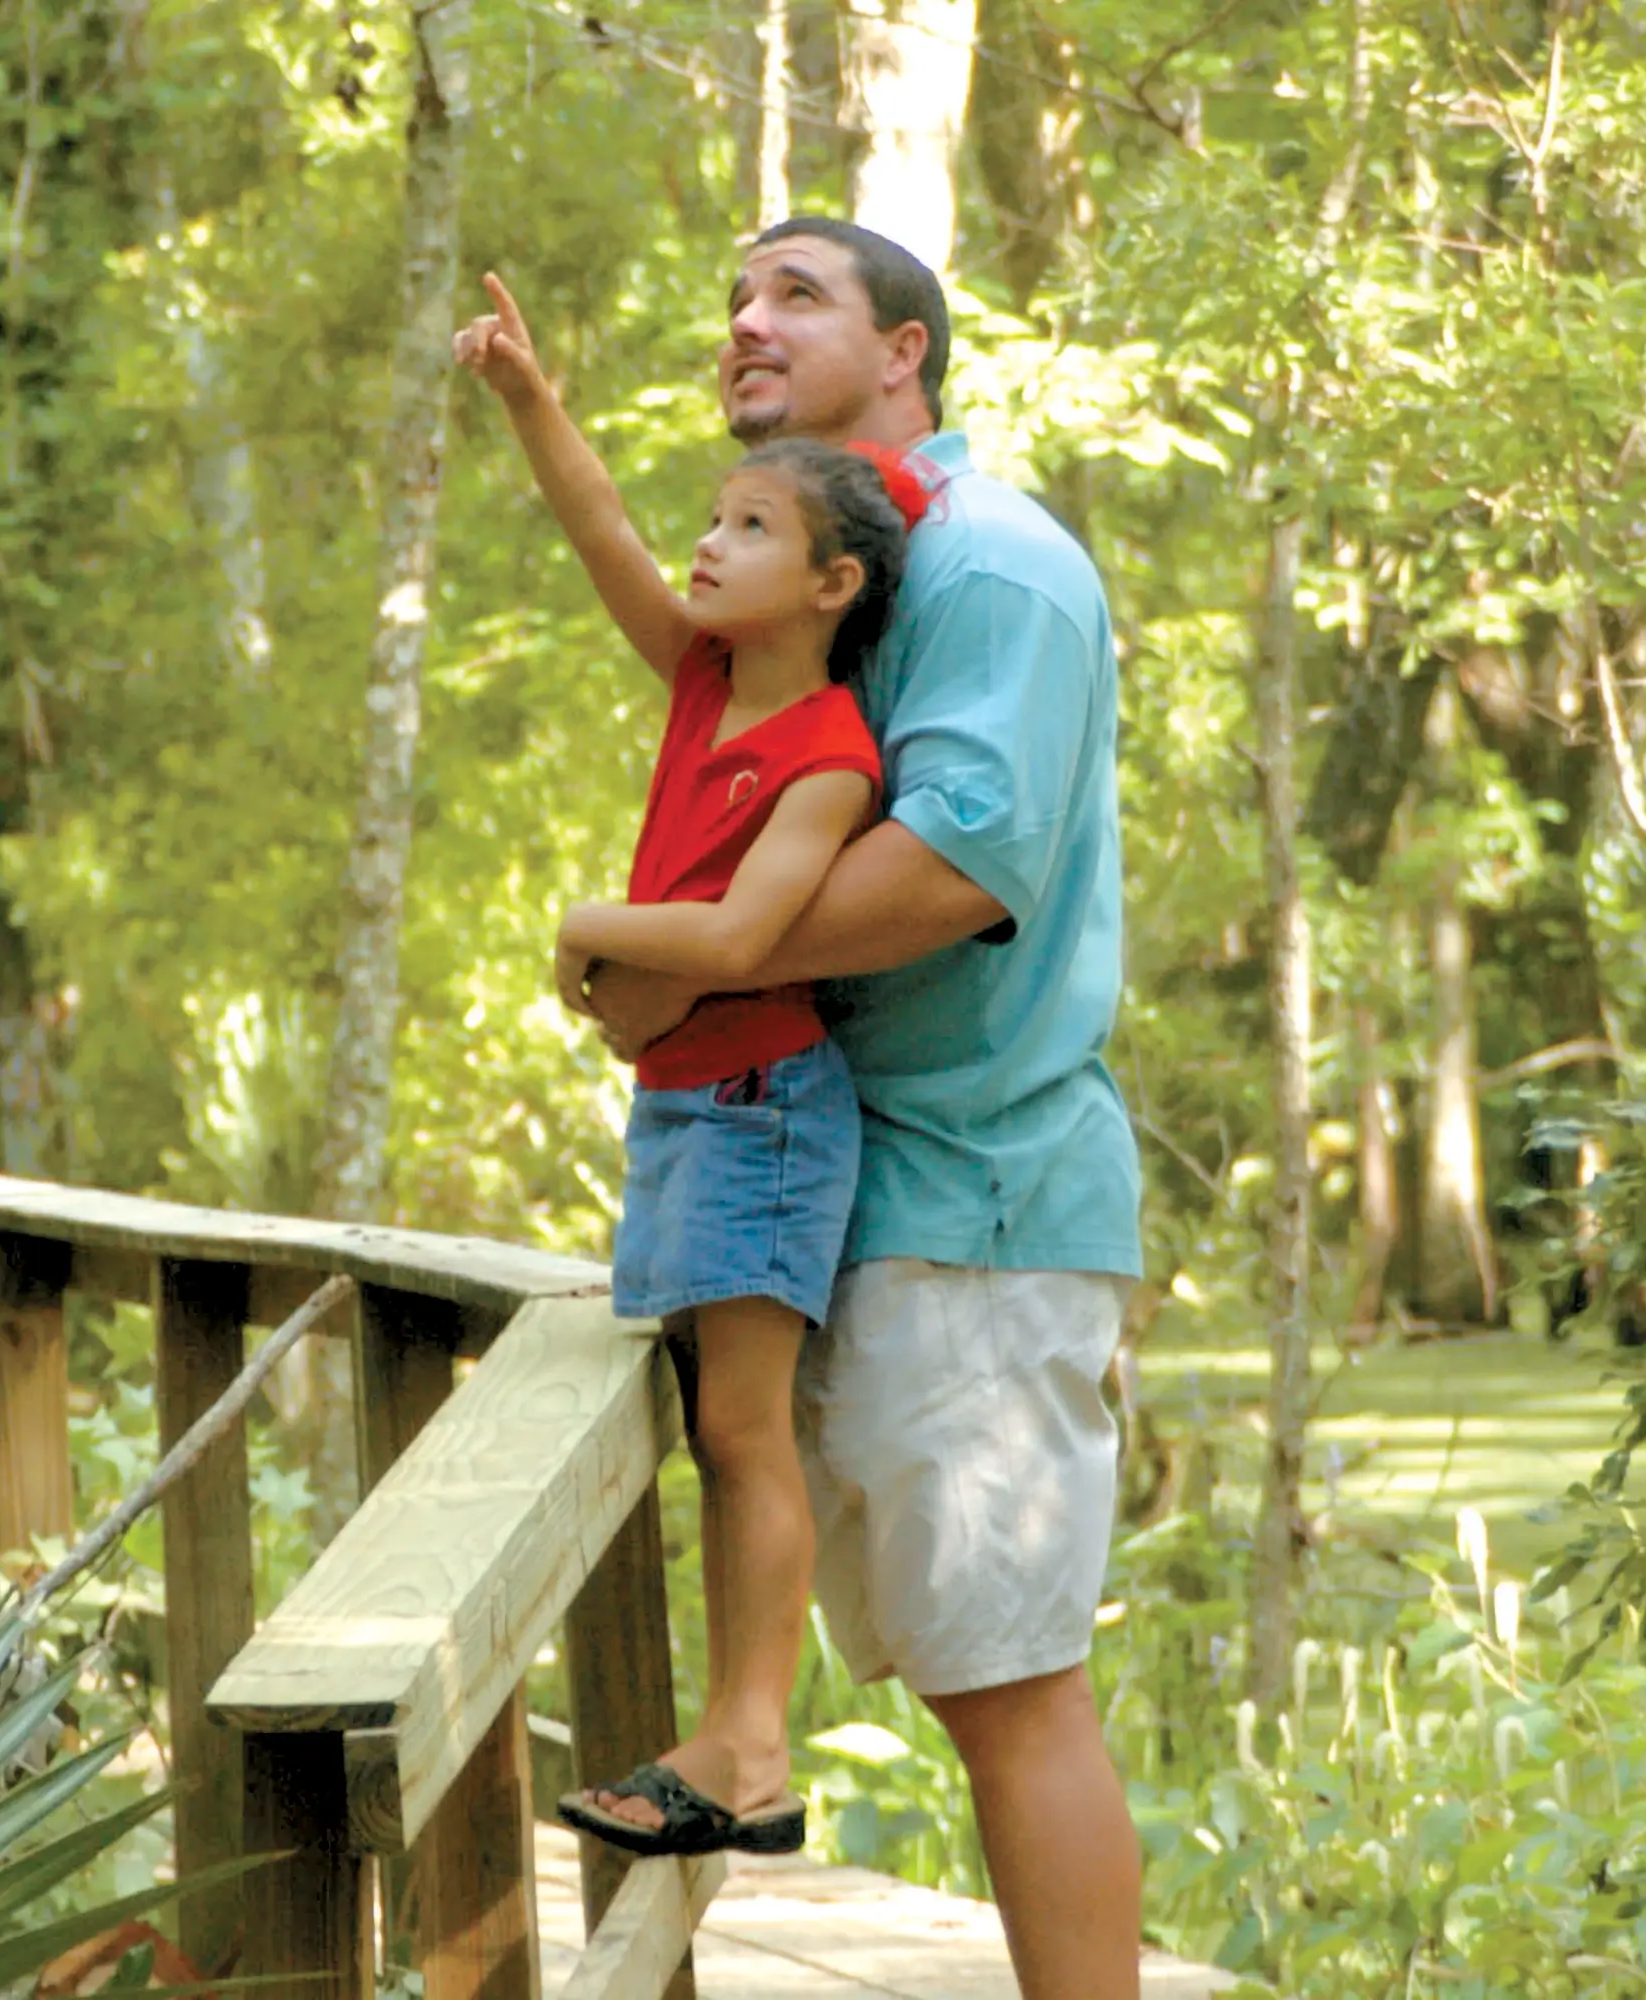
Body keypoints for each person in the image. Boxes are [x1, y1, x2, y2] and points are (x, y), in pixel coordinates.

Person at [555, 219, 1148, 1999]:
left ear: (907, 352)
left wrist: (677, 970)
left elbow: (959, 870)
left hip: (976, 1200)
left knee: (1014, 1697)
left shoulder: (992, 572)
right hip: (840, 1187)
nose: (746, 318)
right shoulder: (829, 582)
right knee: (953, 1675)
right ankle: (743, 1746)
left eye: (796, 293)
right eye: (734, 292)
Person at [455, 272, 941, 1858]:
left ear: (829, 586)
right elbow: (599, 526)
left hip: (760, 1110)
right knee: (711, 1423)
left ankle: (748, 1752)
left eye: (748, 531)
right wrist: (530, 396)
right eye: (715, 523)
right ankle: (740, 1746)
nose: (708, 547)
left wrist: (586, 925)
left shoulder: (830, 757)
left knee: (743, 1430)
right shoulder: (698, 686)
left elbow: (739, 946)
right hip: (685, 1107)